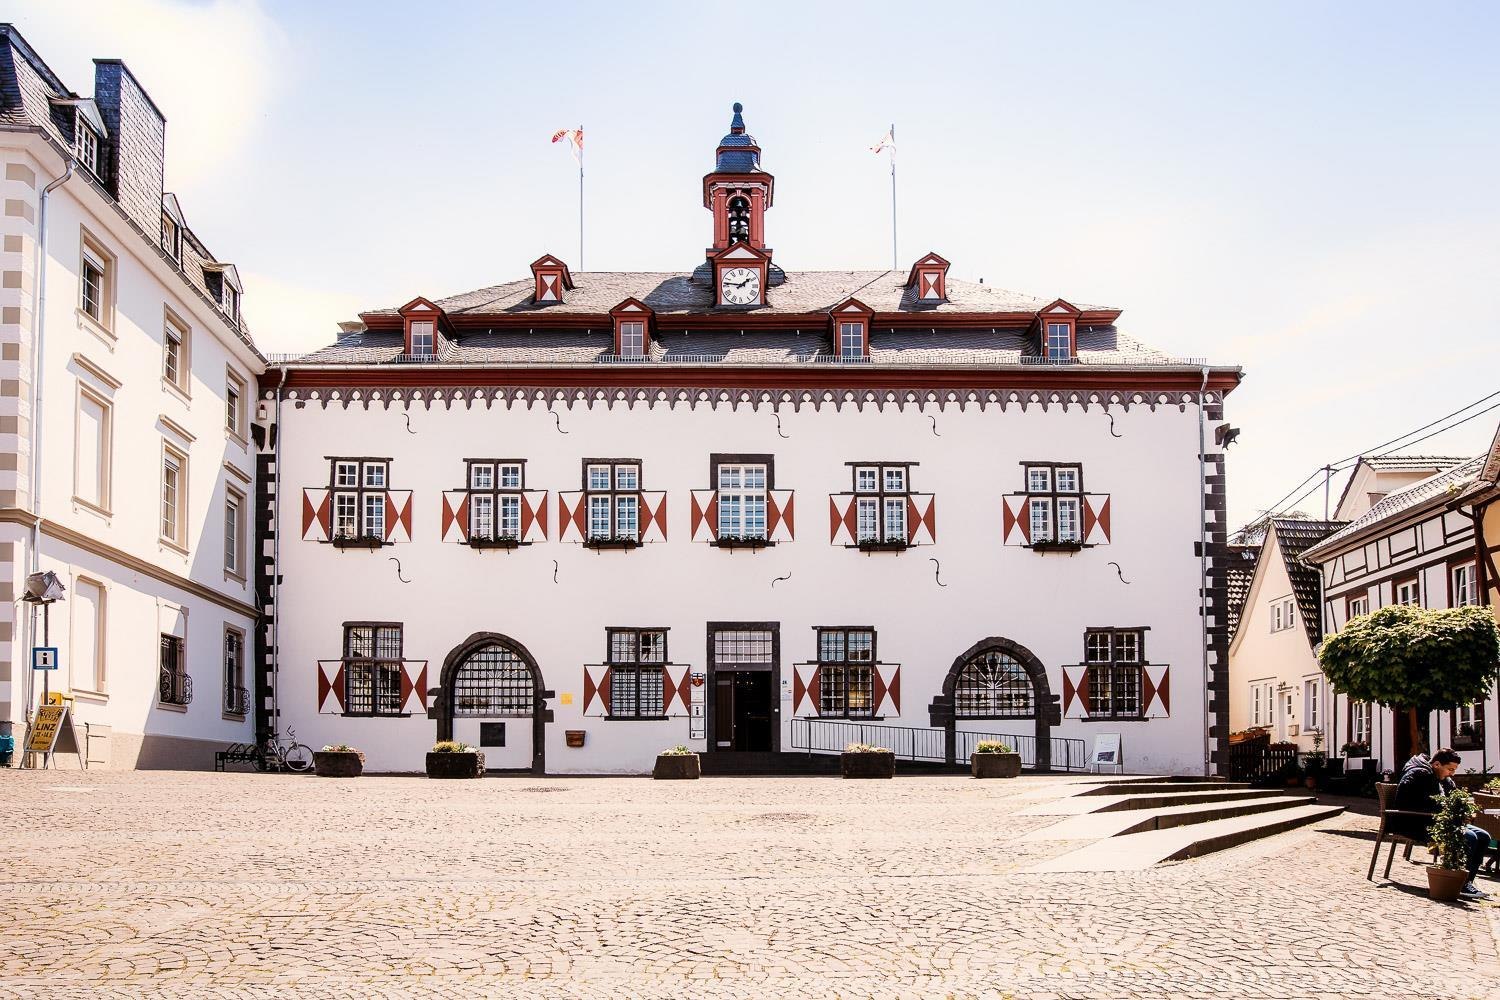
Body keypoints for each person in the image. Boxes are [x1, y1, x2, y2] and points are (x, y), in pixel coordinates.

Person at [1393, 748, 1490, 899]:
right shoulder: (1420, 775)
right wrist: (1448, 815)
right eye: (1450, 769)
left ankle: (1466, 881)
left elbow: (1452, 799)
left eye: (1454, 770)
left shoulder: (1442, 778)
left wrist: (1462, 810)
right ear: (1437, 764)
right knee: (1469, 837)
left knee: (1483, 836)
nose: (1452, 773)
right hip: (1416, 823)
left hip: (1436, 820)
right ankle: (1459, 883)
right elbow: (1413, 804)